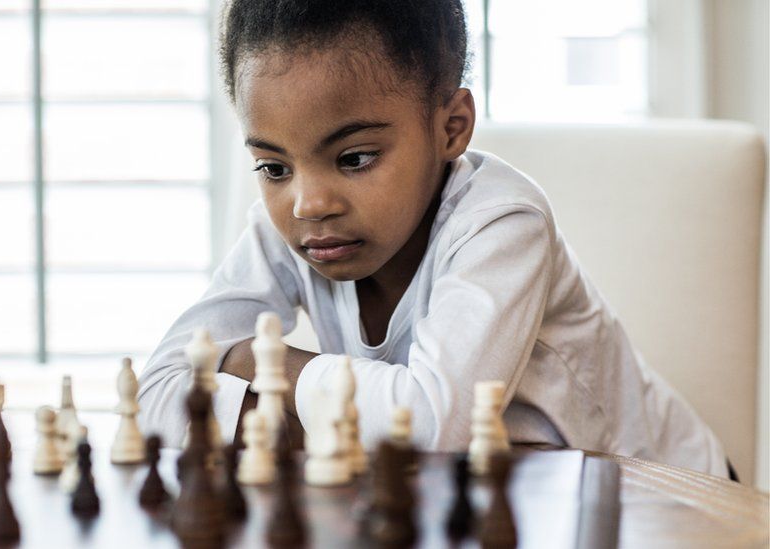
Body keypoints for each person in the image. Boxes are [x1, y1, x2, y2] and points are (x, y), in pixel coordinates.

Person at [137, 0, 729, 477]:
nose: (308, 203)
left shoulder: (503, 224)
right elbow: (155, 393)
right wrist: (275, 415)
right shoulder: (284, 229)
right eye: (274, 167)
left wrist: (264, 366)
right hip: (495, 494)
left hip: (660, 496)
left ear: (451, 128)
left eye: (355, 157)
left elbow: (433, 426)